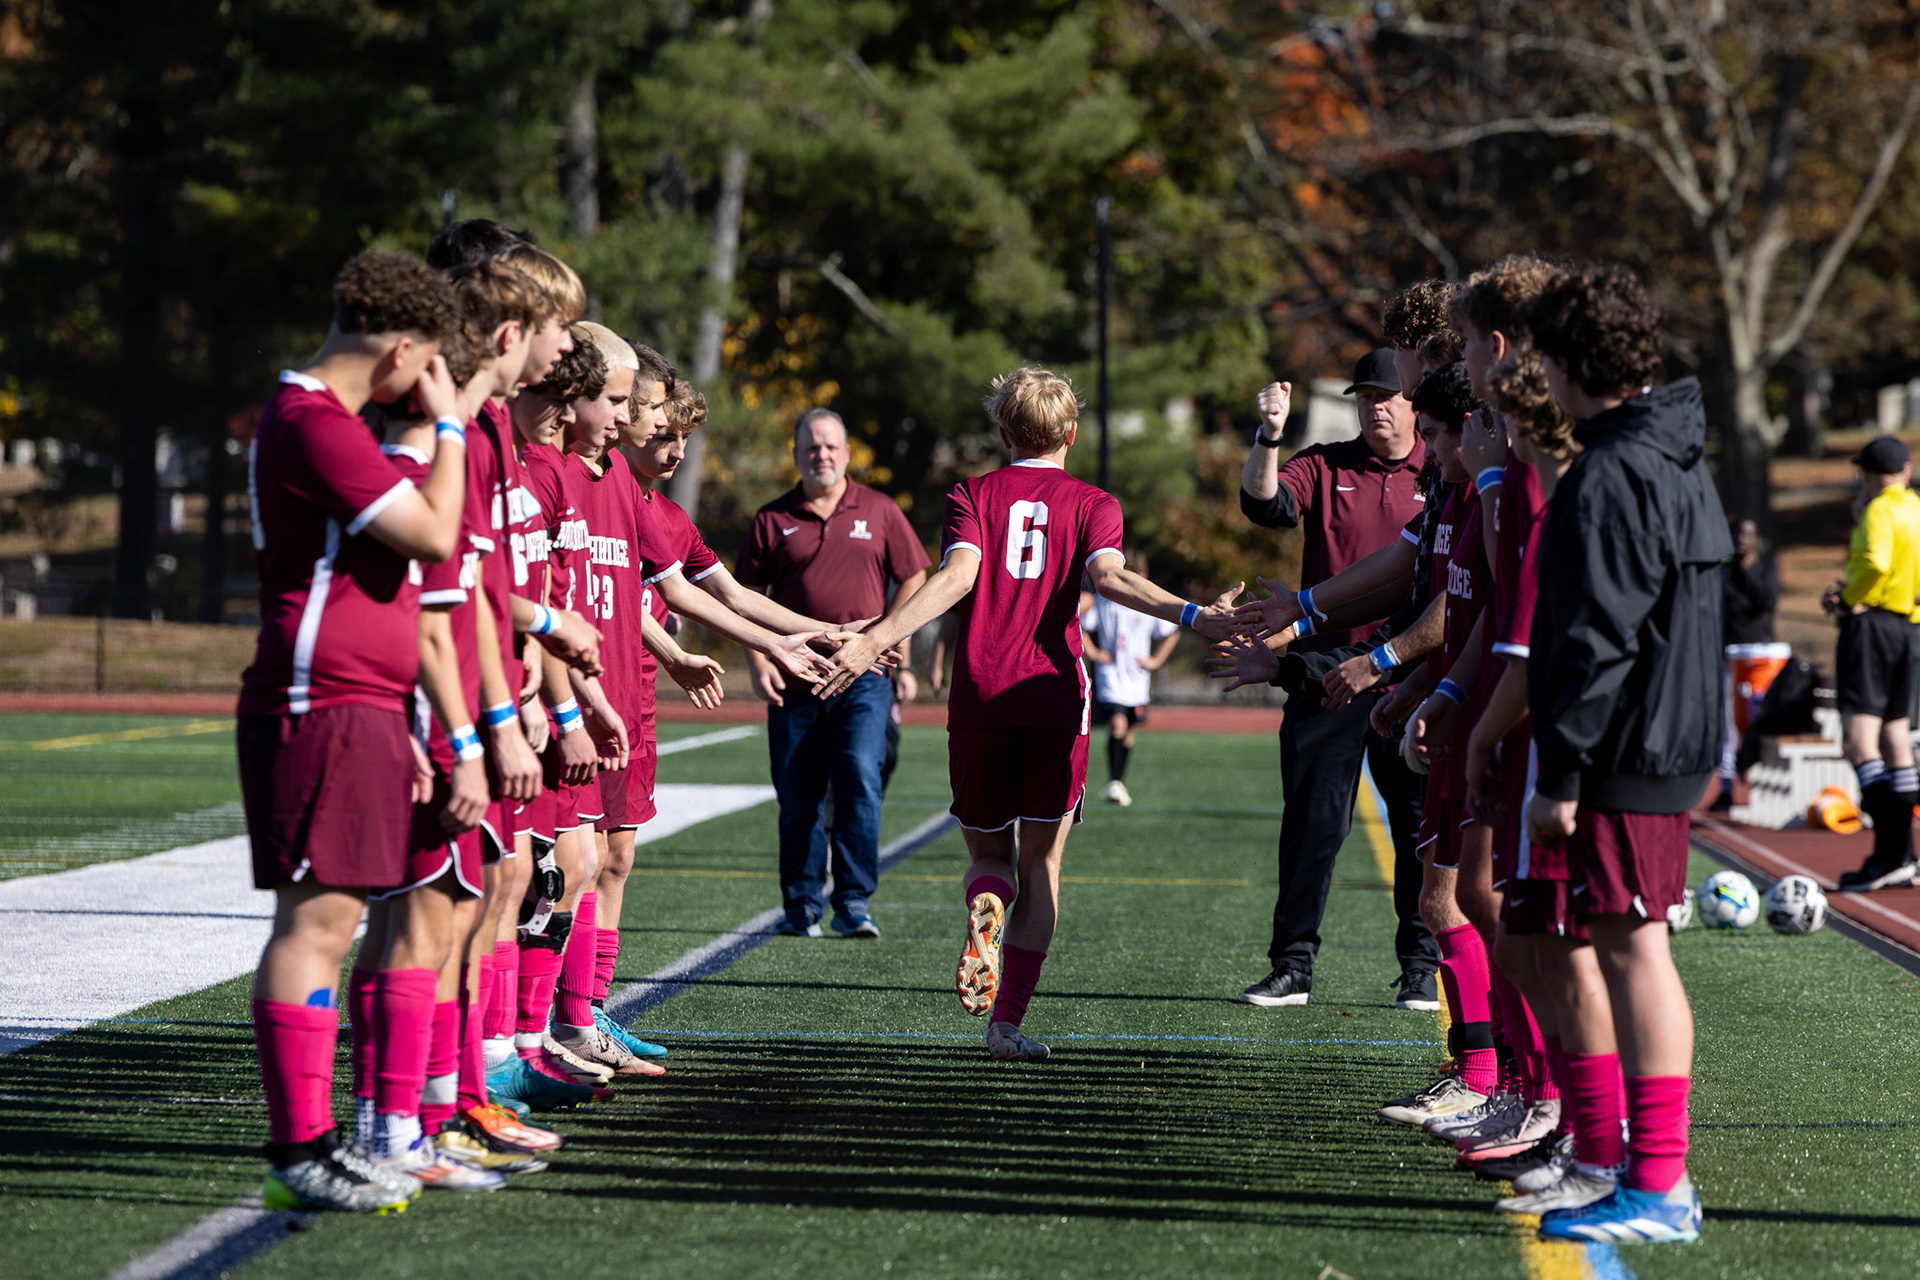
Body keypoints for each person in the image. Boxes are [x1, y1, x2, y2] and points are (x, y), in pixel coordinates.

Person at [818, 368, 1239, 1061]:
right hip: (1053, 696)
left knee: (991, 856)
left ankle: (986, 898)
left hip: (981, 692)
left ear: (1003, 432)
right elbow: (1109, 579)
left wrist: (874, 639)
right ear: (1070, 433)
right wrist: (1193, 615)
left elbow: (957, 577)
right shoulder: (1094, 503)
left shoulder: (971, 494)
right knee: (1042, 864)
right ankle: (1005, 1025)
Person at [239, 250, 465, 1213]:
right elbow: (434, 534)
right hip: (319, 699)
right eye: (429, 362)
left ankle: (317, 1143)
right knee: (317, 924)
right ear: (403, 350)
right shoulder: (313, 420)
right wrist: (449, 426)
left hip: (360, 702)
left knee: (335, 923)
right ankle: (299, 1150)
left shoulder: (326, 420)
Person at [1522, 262, 1726, 1245]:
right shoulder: (1674, 450)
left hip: (1629, 743)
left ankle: (1658, 1183)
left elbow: (1599, 637)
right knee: (1629, 943)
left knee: (1635, 947)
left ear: (1569, 362)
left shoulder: (1612, 470)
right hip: (1660, 734)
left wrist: (1560, 773)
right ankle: (1644, 1176)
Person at [1235, 345, 1436, 1010]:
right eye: (1365, 397)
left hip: (1408, 674)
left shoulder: (1442, 468)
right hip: (1323, 677)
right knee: (1313, 827)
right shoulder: (1325, 463)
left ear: (1414, 402)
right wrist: (1269, 435)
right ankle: (1293, 965)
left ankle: (1422, 966)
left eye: (1387, 396)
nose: (1375, 408)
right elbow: (1264, 505)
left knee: (1419, 829)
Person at [735, 408, 930, 938]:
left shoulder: (881, 509)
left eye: (829, 446)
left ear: (846, 453)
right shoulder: (771, 518)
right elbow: (744, 596)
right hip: (796, 677)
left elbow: (914, 575)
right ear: (797, 454)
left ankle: (853, 901)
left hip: (863, 674)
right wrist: (758, 660)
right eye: (811, 447)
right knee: (797, 794)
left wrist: (897, 642)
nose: (820, 455)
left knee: (860, 778)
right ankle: (801, 906)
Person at [1827, 435, 1920, 890]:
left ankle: (1888, 854)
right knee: (1896, 739)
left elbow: (1876, 563)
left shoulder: (1879, 509)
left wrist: (1846, 600)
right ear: (1905, 471)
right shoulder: (1917, 508)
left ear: (1865, 473)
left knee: (1860, 742)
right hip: (1910, 629)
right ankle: (1905, 855)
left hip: (1874, 628)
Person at [1080, 568, 1180, 808]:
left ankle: (1118, 782)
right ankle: (1114, 782)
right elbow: (1081, 625)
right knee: (1118, 724)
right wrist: (1093, 653)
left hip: (1137, 678)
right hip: (1111, 675)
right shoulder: (1105, 601)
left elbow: (1171, 632)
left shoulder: (1147, 603)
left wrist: (1156, 660)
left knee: (1128, 732)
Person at [1711, 516, 1784, 810]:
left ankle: (1762, 788)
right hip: (1729, 655)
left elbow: (1766, 601)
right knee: (1727, 723)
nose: (1741, 539)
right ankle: (1726, 785)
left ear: (1757, 539)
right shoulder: (1722, 569)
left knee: (1758, 719)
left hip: (1760, 657)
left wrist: (1745, 571)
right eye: (1737, 534)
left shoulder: (1763, 568)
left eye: (1747, 534)